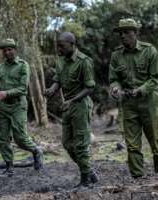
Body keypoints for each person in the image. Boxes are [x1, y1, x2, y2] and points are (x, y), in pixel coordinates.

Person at [109, 18, 158, 179]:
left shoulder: (150, 51)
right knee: (132, 143)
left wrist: (140, 90)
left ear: (135, 33)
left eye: (127, 32)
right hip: (128, 103)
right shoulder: (116, 55)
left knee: (154, 139)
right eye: (121, 33)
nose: (123, 36)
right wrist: (115, 88)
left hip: (148, 101)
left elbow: (155, 78)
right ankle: (137, 176)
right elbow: (113, 78)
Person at [45, 32, 98, 187]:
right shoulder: (60, 61)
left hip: (81, 105)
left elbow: (90, 87)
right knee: (67, 143)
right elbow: (58, 80)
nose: (59, 49)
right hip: (67, 105)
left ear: (72, 45)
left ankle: (85, 180)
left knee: (81, 145)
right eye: (57, 46)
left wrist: (72, 100)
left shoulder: (84, 61)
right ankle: (89, 171)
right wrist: (51, 89)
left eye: (62, 46)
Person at [0, 38, 43, 176]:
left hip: (18, 105)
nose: (7, 52)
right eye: (4, 50)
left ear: (14, 50)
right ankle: (9, 167)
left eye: (9, 49)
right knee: (2, 138)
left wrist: (6, 93)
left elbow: (23, 89)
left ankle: (36, 151)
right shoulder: (0, 67)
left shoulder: (23, 65)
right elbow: (2, 86)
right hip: (4, 106)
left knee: (20, 137)